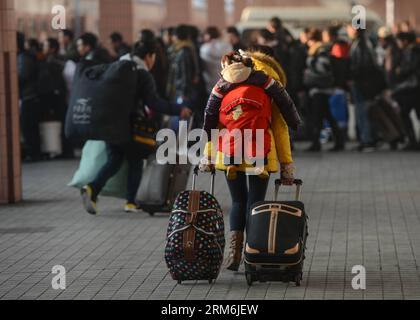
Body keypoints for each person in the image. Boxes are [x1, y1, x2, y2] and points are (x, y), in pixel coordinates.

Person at [201, 50, 297, 271]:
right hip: (260, 154)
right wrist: (286, 165)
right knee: (256, 204)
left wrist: (207, 155)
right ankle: (252, 253)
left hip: (230, 152)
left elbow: (214, 124)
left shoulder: (227, 82)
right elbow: (280, 128)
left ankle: (233, 251)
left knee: (237, 202)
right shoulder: (268, 86)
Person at [81, 40, 192, 215]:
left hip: (109, 122)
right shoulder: (142, 74)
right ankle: (131, 202)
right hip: (130, 125)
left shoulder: (117, 66)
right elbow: (153, 102)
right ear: (149, 56)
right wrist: (179, 110)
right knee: (135, 161)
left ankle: (92, 188)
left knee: (114, 160)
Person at [204, 51, 301, 179]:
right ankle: (260, 166)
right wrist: (293, 121)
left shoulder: (222, 84)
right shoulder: (264, 79)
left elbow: (211, 114)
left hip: (230, 136)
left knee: (237, 199)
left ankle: (232, 163)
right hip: (260, 133)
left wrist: (208, 150)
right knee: (259, 139)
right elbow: (282, 118)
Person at [304, 28, 344, 152]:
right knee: (327, 116)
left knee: (318, 117)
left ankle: (317, 143)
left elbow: (322, 67)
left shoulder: (320, 50)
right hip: (321, 89)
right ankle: (338, 141)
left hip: (320, 89)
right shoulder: (319, 49)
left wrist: (310, 68)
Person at [348, 26, 386, 152]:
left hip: (361, 84)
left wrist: (353, 77)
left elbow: (361, 66)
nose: (348, 30)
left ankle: (367, 140)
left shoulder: (361, 45)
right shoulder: (365, 43)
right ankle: (368, 139)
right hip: (364, 83)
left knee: (363, 112)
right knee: (364, 112)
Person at [392, 32, 420, 150]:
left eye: (399, 41)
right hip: (413, 87)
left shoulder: (411, 51)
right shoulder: (414, 50)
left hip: (411, 87)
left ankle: (412, 141)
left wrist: (400, 71)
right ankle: (413, 141)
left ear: (405, 41)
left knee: (404, 113)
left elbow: (410, 67)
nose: (398, 44)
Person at [17, 32, 42, 162]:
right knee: (30, 127)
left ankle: (33, 154)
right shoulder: (25, 56)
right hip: (30, 96)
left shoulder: (24, 57)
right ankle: (34, 153)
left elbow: (21, 77)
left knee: (28, 127)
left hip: (29, 97)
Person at [200, 26, 232, 95]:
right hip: (226, 79)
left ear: (208, 35)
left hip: (209, 80)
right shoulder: (227, 46)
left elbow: (203, 65)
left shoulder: (204, 48)